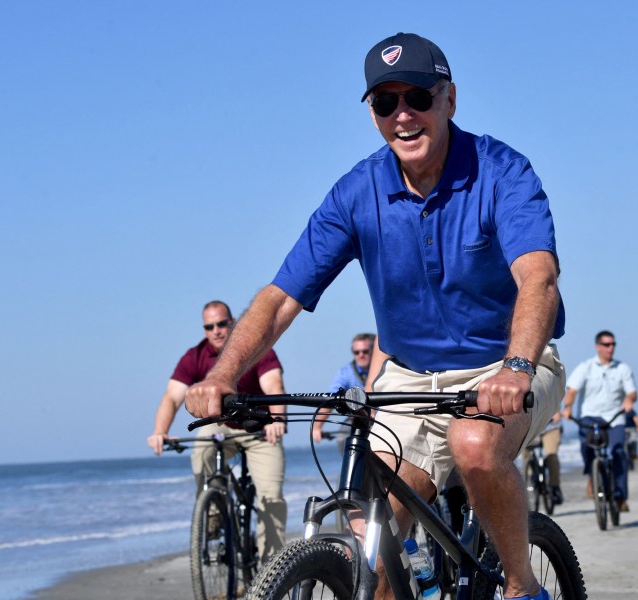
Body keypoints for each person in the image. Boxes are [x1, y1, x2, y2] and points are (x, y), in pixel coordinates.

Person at [185, 32, 567, 600]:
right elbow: (279, 298)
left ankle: (521, 585)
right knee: (374, 538)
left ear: (450, 100)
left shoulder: (501, 172)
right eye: (385, 104)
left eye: (417, 97)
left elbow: (538, 278)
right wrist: (221, 374)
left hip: (508, 367)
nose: (403, 116)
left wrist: (513, 367)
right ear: (372, 114)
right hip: (409, 379)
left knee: (473, 446)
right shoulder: (357, 193)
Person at [147, 300, 288, 562]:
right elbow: (172, 397)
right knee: (202, 452)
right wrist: (160, 431)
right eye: (210, 326)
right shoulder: (195, 357)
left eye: (222, 323)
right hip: (220, 423)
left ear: (232, 322)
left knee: (271, 497)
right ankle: (212, 512)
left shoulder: (255, 347)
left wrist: (278, 419)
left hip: (260, 426)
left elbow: (274, 384)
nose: (217, 330)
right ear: (204, 330)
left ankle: (272, 568)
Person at [561, 330, 637, 512]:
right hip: (590, 416)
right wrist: (568, 407)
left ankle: (620, 497)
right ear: (598, 347)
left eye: (613, 344)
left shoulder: (622, 368)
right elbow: (572, 391)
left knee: (619, 453)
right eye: (606, 344)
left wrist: (629, 400)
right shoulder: (586, 367)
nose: (610, 348)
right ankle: (592, 475)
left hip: (614, 418)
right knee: (586, 448)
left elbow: (632, 392)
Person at [312, 332, 376, 448]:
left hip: (383, 416)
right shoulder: (345, 373)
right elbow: (331, 399)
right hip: (357, 418)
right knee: (342, 439)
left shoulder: (385, 369)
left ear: (373, 352)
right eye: (356, 352)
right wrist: (317, 426)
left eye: (365, 351)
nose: (361, 355)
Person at [521, 413, 564, 505]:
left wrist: (557, 411)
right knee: (525, 455)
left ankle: (554, 486)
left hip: (550, 426)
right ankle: (531, 478)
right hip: (528, 427)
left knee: (552, 455)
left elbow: (557, 398)